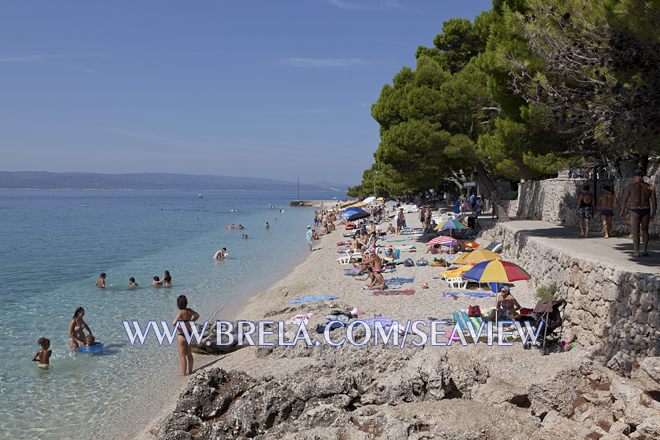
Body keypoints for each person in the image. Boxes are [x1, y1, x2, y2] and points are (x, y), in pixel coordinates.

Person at [621, 170, 657, 257]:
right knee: (639, 231)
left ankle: (640, 250)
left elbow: (625, 199)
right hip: (638, 210)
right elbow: (654, 202)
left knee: (641, 230)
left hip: (639, 210)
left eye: (638, 176)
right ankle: (640, 250)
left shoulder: (633, 186)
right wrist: (622, 210)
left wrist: (622, 210)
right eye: (638, 176)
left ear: (634, 177)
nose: (638, 178)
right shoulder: (648, 187)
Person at [173, 295, 199, 376]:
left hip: (182, 335)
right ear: (186, 303)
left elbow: (173, 323)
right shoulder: (190, 311)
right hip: (189, 334)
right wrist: (191, 322)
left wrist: (179, 328)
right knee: (189, 354)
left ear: (178, 304)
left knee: (182, 356)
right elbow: (197, 316)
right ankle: (190, 371)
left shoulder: (180, 313)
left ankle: (183, 374)